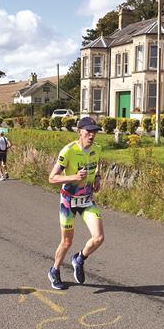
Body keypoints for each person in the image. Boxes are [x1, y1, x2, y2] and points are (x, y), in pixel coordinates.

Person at [47, 117, 104, 290]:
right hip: (68, 201)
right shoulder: (68, 151)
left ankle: (79, 259)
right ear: (79, 131)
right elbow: (52, 178)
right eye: (88, 132)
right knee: (66, 242)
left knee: (99, 238)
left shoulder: (97, 149)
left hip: (86, 200)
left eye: (94, 132)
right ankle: (54, 270)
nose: (92, 135)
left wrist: (98, 178)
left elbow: (97, 166)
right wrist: (74, 177)